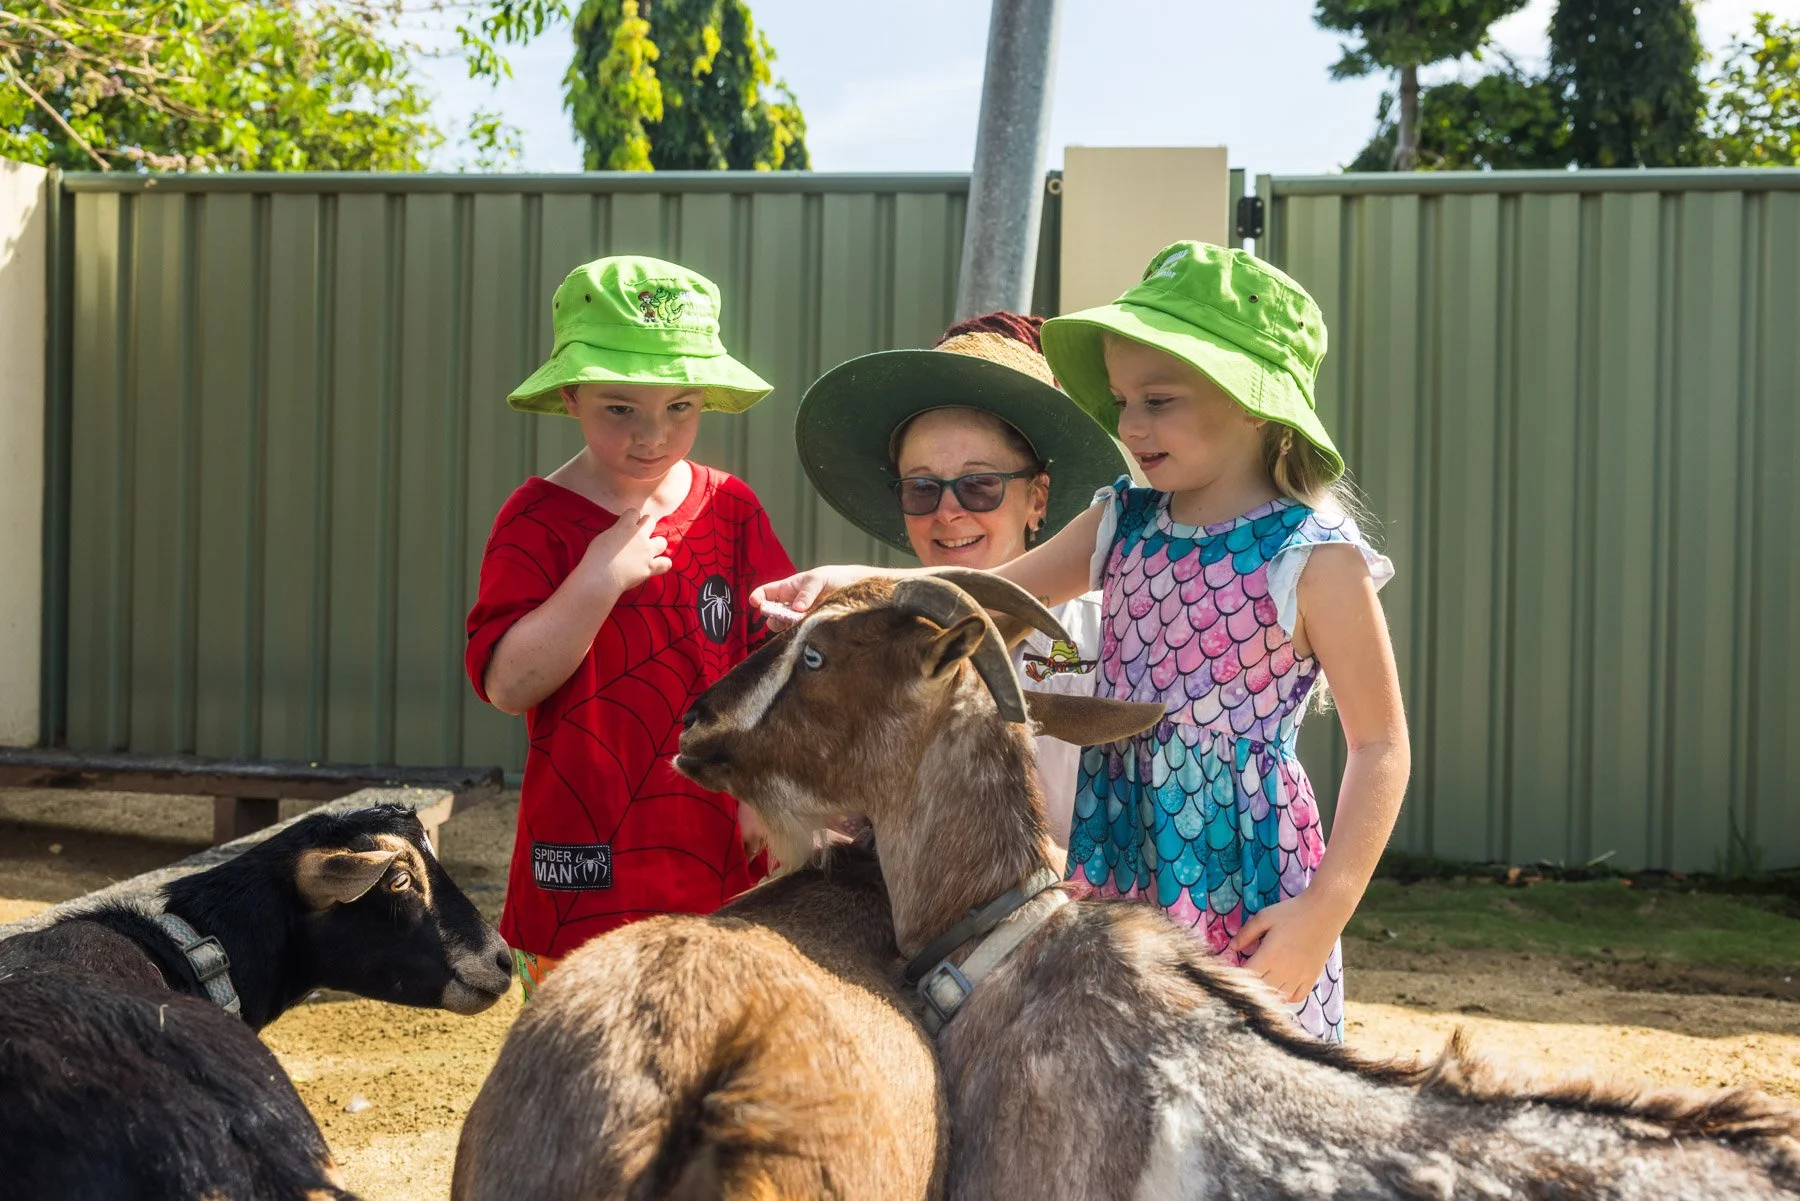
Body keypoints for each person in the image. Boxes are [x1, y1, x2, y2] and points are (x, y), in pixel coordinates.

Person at [755, 242, 1409, 1041]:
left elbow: (1380, 745)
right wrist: (853, 586)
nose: (1129, 424)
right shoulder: (1120, 519)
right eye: (1125, 398)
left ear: (1251, 399)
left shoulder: (1315, 556)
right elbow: (990, 598)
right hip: (1116, 850)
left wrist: (1322, 910)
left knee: (1245, 1081)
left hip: (1243, 865)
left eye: (1157, 400)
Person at [466, 255, 795, 998]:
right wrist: (596, 578)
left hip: (721, 857)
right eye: (621, 408)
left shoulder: (730, 509)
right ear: (572, 394)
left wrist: (763, 787)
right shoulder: (535, 521)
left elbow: (776, 661)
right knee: (578, 1074)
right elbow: (506, 684)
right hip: (579, 867)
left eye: (681, 406)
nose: (655, 435)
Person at [792, 310, 1130, 866]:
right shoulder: (864, 647)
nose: (948, 513)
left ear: (1038, 499)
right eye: (922, 489)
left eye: (979, 486)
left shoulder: (1112, 639)